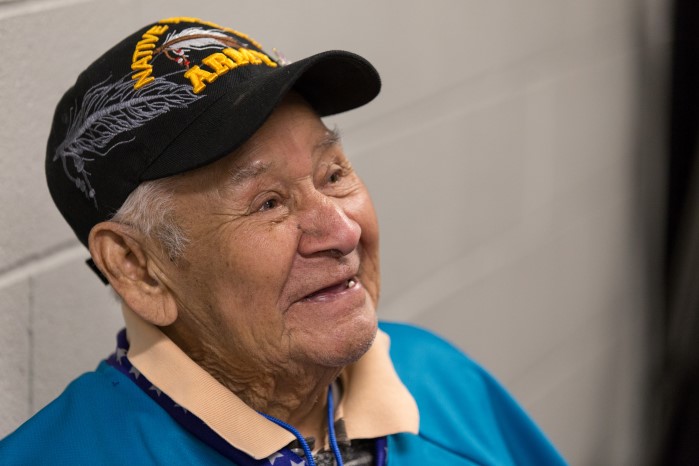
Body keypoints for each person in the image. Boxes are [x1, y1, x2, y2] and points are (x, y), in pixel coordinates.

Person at [0, 17, 566, 465]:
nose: (342, 231)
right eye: (268, 203)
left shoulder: (441, 383)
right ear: (138, 267)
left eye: (333, 175)